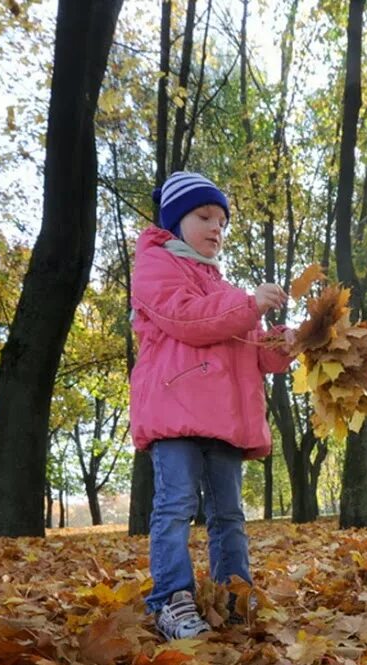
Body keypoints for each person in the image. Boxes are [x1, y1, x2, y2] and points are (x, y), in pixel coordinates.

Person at [130, 171, 292, 639]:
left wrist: (285, 342)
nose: (215, 228)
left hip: (221, 421)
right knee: (176, 504)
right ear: (176, 220)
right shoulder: (156, 266)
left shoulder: (223, 288)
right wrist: (250, 304)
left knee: (229, 513)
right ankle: (171, 599)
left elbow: (250, 350)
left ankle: (233, 595)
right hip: (176, 412)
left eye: (221, 221)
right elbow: (188, 319)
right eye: (204, 216)